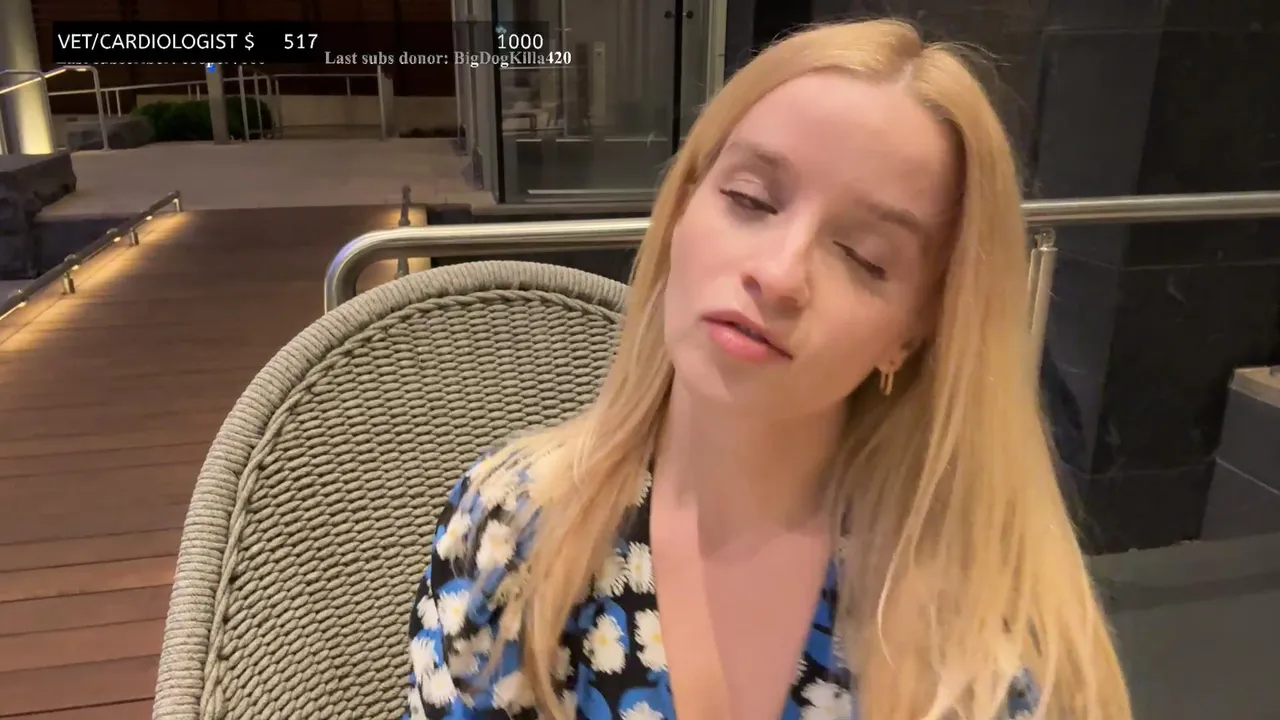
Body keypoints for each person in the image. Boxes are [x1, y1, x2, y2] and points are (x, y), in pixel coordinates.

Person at [404, 18, 1131, 720]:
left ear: (913, 333)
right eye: (750, 199)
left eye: (864, 257)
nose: (780, 275)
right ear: (681, 210)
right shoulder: (513, 524)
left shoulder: (982, 632)